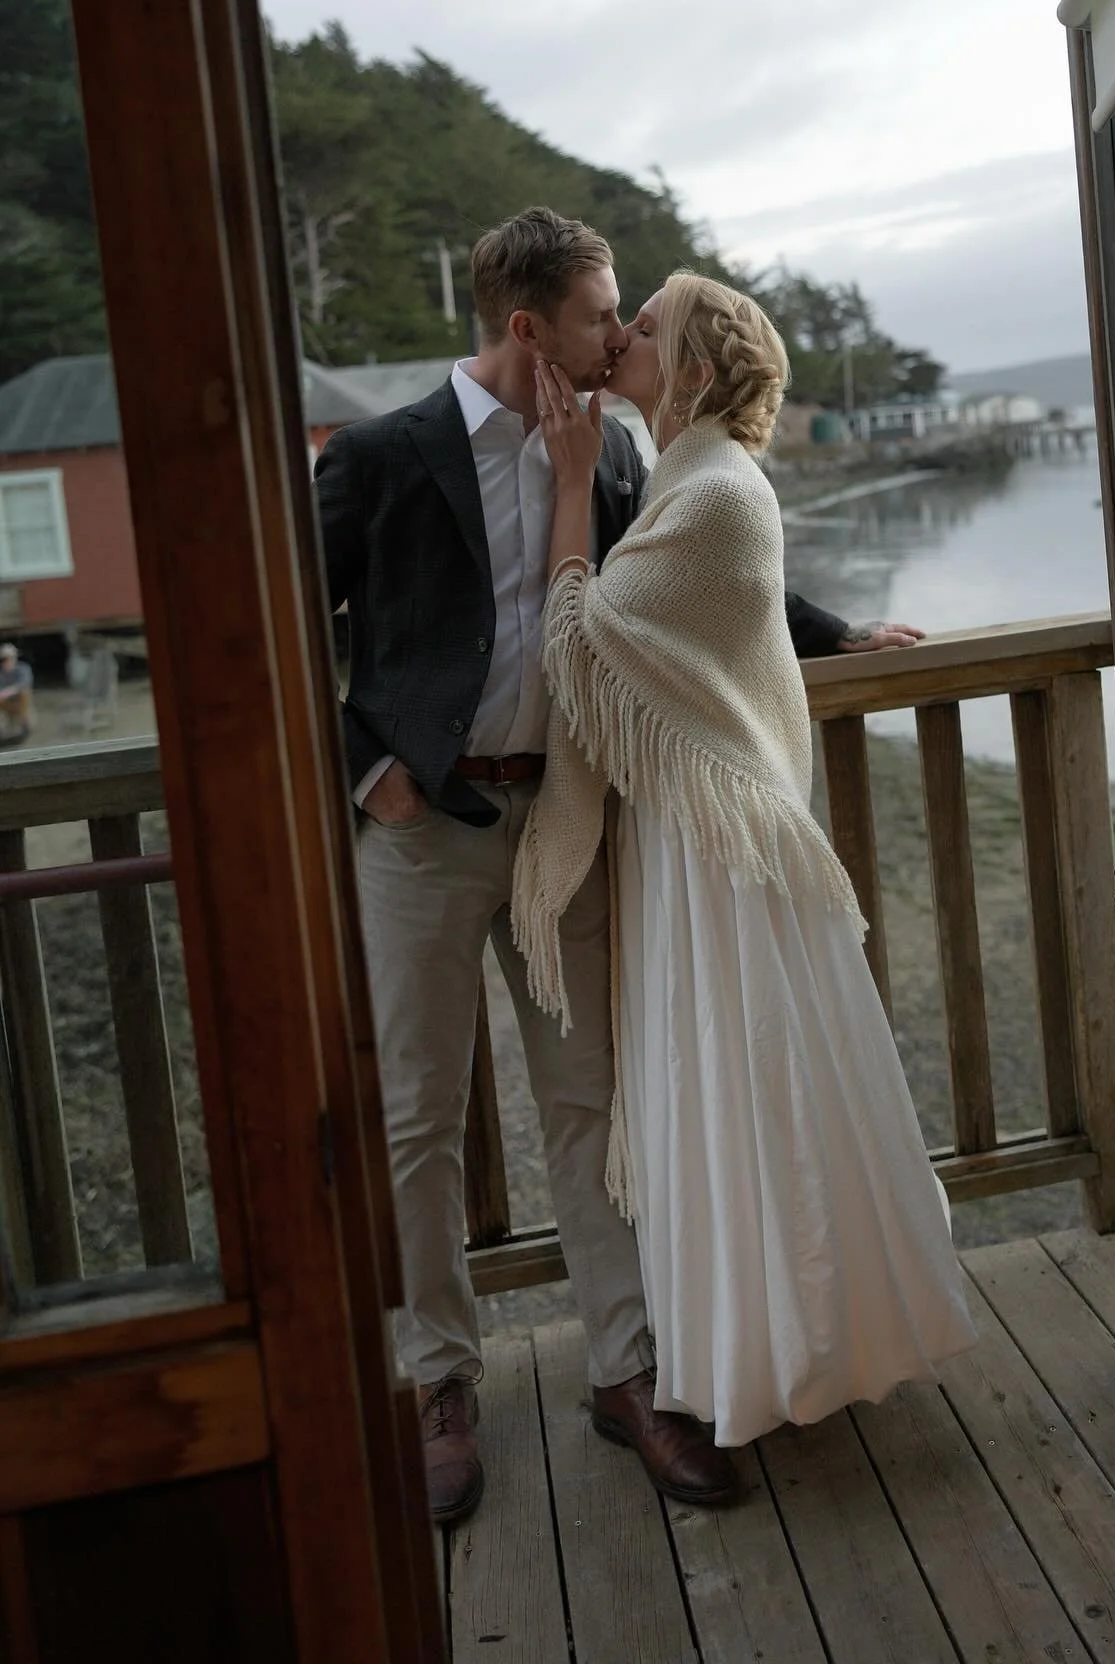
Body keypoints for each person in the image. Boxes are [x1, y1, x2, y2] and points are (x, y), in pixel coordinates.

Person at [314, 209, 922, 1522]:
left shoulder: (609, 454)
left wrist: (844, 631)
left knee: (590, 1107)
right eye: (603, 317)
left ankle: (629, 1373)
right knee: (415, 1123)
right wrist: (369, 767)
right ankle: (438, 1383)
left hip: (566, 823)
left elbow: (698, 575)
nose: (620, 334)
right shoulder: (381, 456)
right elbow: (284, 627)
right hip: (417, 838)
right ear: (529, 327)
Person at [512, 272, 977, 1452]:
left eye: (647, 326)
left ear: (698, 369)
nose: (623, 336)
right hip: (698, 835)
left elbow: (581, 643)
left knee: (744, 1087)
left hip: (719, 854)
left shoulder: (712, 491)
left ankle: (792, 1347)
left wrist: (570, 485)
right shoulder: (686, 474)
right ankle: (752, 1338)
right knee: (717, 1087)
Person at [0, 644, 35, 746]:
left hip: (20, 704)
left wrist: (6, 693)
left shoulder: (23, 668)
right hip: (4, 705)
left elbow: (24, 685)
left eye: (9, 658)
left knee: (25, 693)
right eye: (3, 659)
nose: (6, 662)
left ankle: (24, 726)